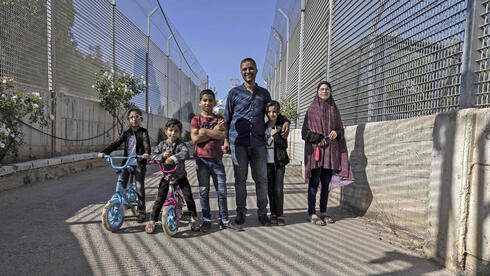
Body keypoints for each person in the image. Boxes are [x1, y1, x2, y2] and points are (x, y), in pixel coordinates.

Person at [223, 57, 290, 226]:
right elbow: (226, 118)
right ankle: (240, 212)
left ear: (256, 71)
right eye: (245, 69)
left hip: (259, 144)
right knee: (240, 180)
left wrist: (285, 120)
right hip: (239, 143)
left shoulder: (264, 93)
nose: (248, 72)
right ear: (241, 72)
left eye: (251, 68)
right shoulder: (234, 94)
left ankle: (262, 213)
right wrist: (225, 140)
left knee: (261, 179)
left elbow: (272, 111)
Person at [302, 81, 355, 226]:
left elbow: (340, 130)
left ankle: (323, 211)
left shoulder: (334, 110)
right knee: (314, 182)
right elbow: (304, 132)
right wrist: (318, 138)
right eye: (322, 89)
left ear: (330, 92)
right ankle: (311, 212)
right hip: (316, 152)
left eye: (327, 89)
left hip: (330, 153)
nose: (324, 91)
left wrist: (336, 132)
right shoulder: (311, 110)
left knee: (326, 183)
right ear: (317, 92)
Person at [191, 89, 240, 232]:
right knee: (204, 191)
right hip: (201, 160)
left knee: (222, 191)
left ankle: (224, 219)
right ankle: (207, 219)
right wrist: (212, 132)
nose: (207, 103)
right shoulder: (196, 120)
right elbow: (195, 139)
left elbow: (222, 135)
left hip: (217, 160)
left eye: (210, 100)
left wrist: (204, 131)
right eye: (204, 100)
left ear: (214, 102)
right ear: (200, 102)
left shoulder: (219, 120)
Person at [145, 119, 200, 233]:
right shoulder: (162, 144)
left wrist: (173, 158)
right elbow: (152, 156)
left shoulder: (181, 144)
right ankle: (152, 220)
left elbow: (185, 153)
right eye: (170, 130)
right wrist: (162, 155)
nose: (173, 133)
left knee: (188, 197)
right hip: (166, 176)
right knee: (159, 199)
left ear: (179, 133)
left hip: (180, 176)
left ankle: (194, 218)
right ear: (166, 131)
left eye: (176, 131)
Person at [98, 108, 151, 223]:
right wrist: (105, 152)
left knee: (139, 187)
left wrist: (146, 153)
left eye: (137, 117)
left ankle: (142, 211)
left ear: (141, 119)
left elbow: (147, 143)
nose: (134, 119)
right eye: (131, 117)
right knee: (122, 183)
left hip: (139, 163)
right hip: (127, 163)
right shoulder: (126, 133)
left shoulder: (143, 132)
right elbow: (116, 143)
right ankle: (120, 203)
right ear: (128, 119)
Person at [265, 101, 289, 226]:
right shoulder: (264, 126)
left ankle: (280, 214)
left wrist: (275, 136)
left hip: (279, 162)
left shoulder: (282, 126)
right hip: (267, 163)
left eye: (274, 111)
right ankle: (273, 213)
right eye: (269, 112)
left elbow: (284, 145)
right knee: (270, 188)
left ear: (278, 112)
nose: (271, 114)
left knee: (278, 189)